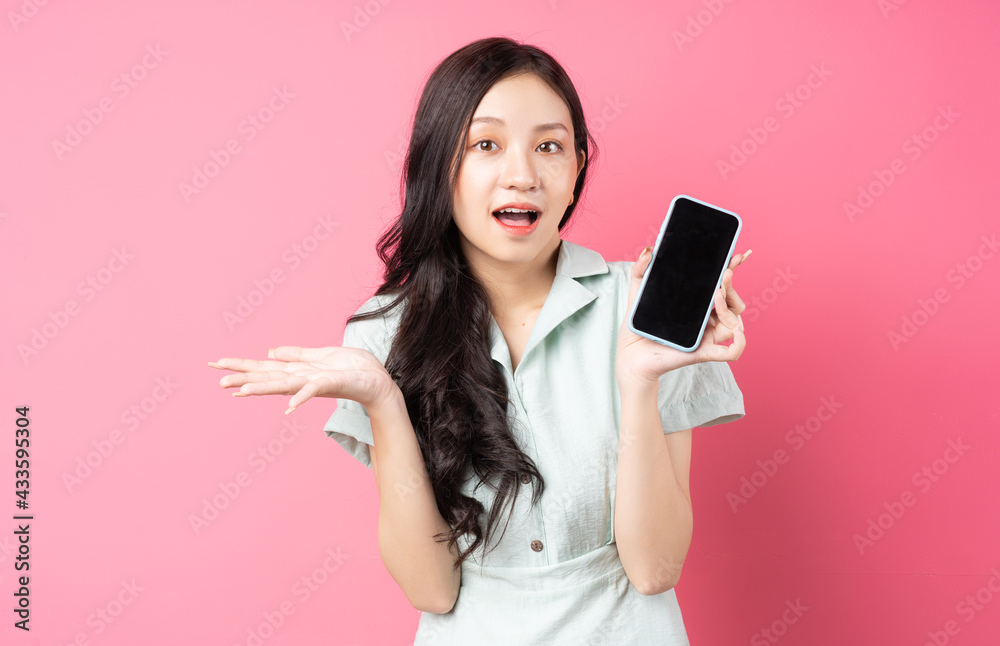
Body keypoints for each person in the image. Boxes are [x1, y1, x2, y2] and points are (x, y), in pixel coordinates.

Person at [209, 36, 749, 645]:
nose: (522, 175)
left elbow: (655, 569)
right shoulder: (384, 331)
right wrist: (382, 401)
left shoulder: (645, 315)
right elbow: (431, 589)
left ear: (576, 171)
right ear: (441, 167)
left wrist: (639, 381)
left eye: (549, 146)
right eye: (486, 145)